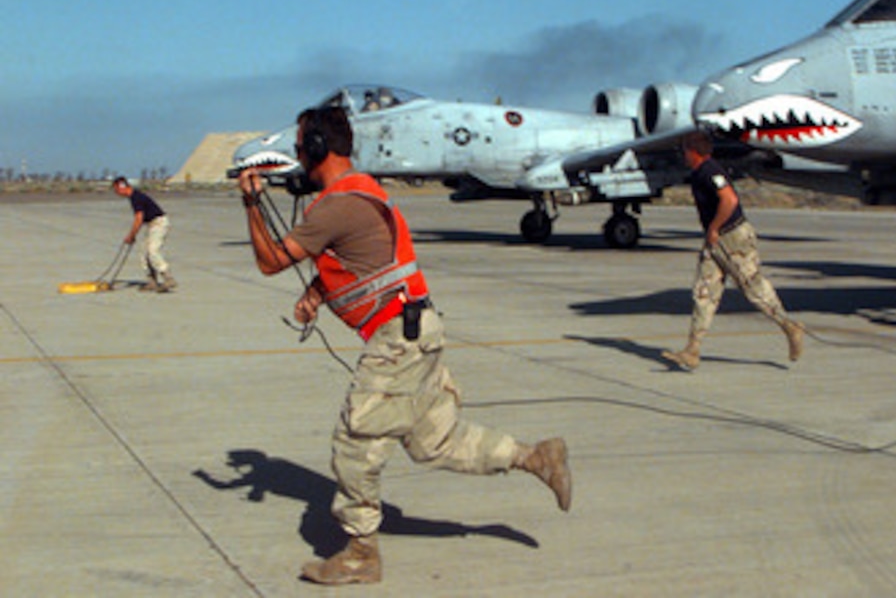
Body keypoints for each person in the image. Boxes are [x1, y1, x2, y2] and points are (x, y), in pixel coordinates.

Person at [237, 105, 571, 585]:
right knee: (436, 440)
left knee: (354, 443)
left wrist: (250, 203)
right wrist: (317, 292)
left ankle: (360, 554)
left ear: (316, 148)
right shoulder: (363, 192)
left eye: (299, 144)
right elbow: (366, 258)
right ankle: (536, 456)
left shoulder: (336, 204)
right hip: (418, 330)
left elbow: (270, 261)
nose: (294, 153)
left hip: (397, 339)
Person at [662, 135, 804, 369]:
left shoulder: (710, 171)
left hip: (731, 237)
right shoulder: (700, 173)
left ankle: (790, 326)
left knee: (753, 288)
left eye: (684, 150)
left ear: (693, 151)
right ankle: (692, 350)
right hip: (715, 240)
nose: (682, 156)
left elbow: (729, 200)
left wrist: (715, 229)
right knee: (704, 292)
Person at [111, 176, 176, 292]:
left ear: (121, 187)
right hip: (152, 225)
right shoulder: (134, 197)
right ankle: (152, 281)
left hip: (159, 223)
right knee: (144, 253)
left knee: (152, 250)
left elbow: (139, 218)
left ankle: (168, 278)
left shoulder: (136, 198)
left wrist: (131, 235)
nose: (117, 193)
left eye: (116, 190)